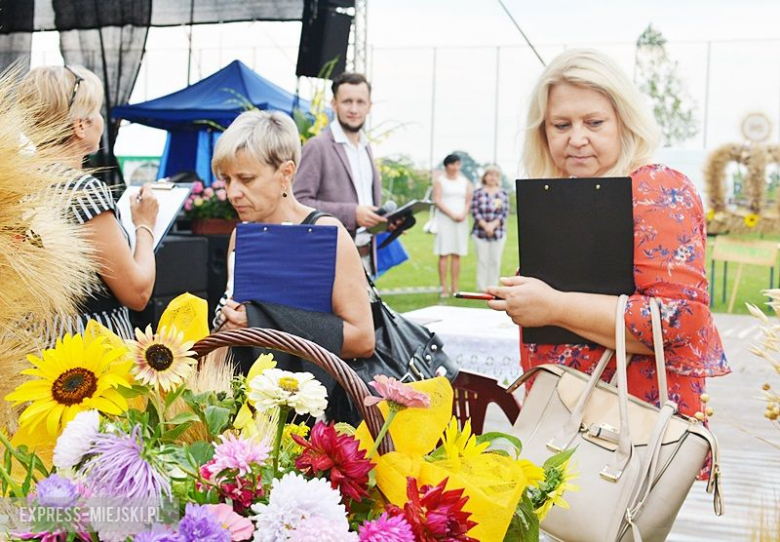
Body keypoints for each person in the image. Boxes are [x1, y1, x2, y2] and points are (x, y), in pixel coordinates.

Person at [487, 48, 729, 420]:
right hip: (562, 417)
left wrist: (553, 305)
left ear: (624, 121)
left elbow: (679, 319)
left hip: (635, 429)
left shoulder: (657, 188)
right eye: (561, 125)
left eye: (594, 123)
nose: (577, 138)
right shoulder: (558, 194)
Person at [213, 110, 375, 361]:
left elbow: (362, 338)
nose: (233, 192)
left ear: (286, 173)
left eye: (246, 179)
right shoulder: (241, 236)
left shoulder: (327, 234)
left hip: (314, 392)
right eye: (227, 180)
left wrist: (262, 324)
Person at [20, 65, 158, 341]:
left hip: (30, 348)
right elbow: (137, 292)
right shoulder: (82, 191)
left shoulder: (17, 187)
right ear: (80, 125)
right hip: (87, 355)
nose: (100, 120)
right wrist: (145, 226)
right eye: (97, 111)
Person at [294, 72, 383, 272]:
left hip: (366, 259)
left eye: (360, 102)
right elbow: (299, 203)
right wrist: (352, 213)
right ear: (334, 104)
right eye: (347, 101)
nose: (354, 109)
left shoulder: (366, 147)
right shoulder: (317, 147)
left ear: (369, 106)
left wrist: (386, 221)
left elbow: (365, 203)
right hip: (329, 262)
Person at [433, 153, 473, 297]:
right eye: (452, 164)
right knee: (444, 254)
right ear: (446, 166)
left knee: (457, 254)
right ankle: (444, 287)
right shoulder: (440, 181)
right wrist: (452, 214)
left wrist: (463, 214)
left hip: (461, 220)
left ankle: (455, 287)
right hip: (445, 220)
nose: (455, 167)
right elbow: (437, 200)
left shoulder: (464, 181)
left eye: (457, 164)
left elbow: (468, 200)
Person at [471, 165, 509, 291]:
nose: (493, 178)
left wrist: (493, 225)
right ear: (485, 177)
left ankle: (493, 287)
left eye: (495, 175)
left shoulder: (502, 194)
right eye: (490, 175)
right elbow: (475, 211)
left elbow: (504, 213)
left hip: (498, 233)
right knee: (482, 261)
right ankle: (482, 288)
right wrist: (485, 225)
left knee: (495, 261)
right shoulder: (478, 193)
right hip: (480, 233)